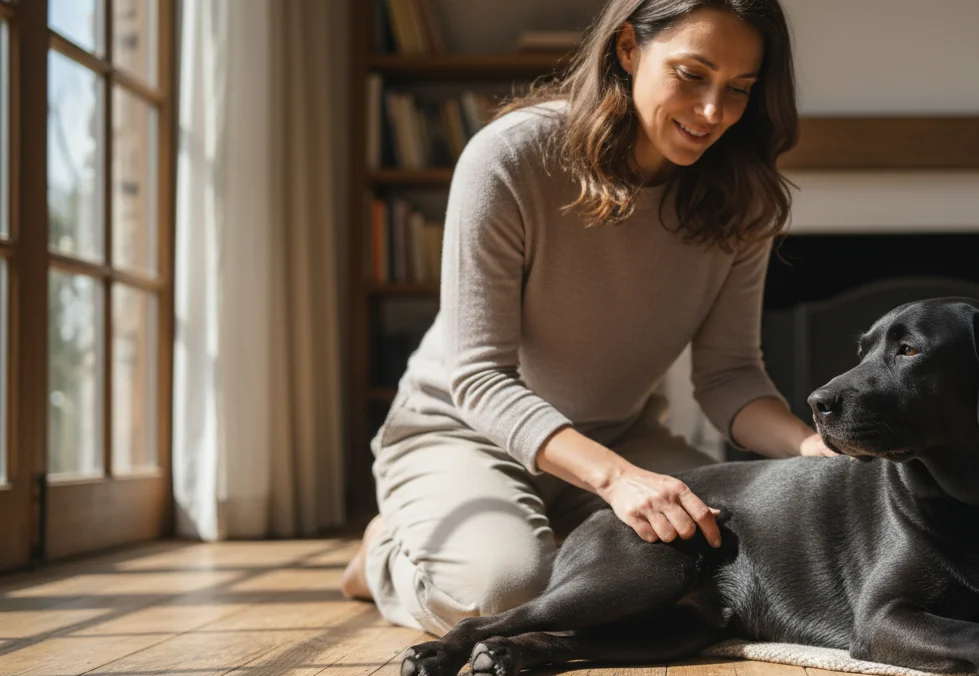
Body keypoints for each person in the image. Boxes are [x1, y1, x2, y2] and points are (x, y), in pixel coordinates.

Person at [340, 0, 837, 636]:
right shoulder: (511, 157)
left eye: (738, 90)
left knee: (738, 562)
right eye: (692, 74)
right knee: (504, 594)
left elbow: (729, 373)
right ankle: (383, 555)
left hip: (618, 435)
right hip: (462, 431)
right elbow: (479, 379)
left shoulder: (744, 198)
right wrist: (619, 481)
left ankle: (536, 531)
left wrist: (810, 450)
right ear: (628, 49)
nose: (713, 112)